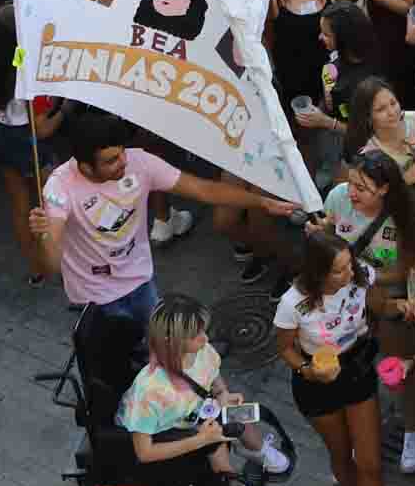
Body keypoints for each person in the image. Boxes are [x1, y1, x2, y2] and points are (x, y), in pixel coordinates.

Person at [27, 110, 300, 330]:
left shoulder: (140, 162)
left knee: (159, 353)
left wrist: (261, 202)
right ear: (85, 167)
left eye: (122, 152)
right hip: (95, 299)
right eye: (111, 160)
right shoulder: (59, 187)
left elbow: (204, 190)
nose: (123, 162)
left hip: (141, 282)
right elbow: (50, 265)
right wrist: (44, 237)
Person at [273, 230, 406, 486]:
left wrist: (401, 307)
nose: (349, 273)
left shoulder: (359, 275)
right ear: (317, 272)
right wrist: (308, 370)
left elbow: (379, 301)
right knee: (341, 454)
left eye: (349, 265)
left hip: (357, 369)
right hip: (317, 383)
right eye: (339, 270)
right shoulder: (293, 303)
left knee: (370, 462)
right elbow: (285, 348)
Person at [116, 296, 290, 486]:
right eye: (196, 335)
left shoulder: (201, 349)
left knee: (239, 413)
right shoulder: (150, 390)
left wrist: (223, 394)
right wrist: (201, 440)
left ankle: (255, 450)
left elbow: (213, 375)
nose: (205, 338)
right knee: (214, 445)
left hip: (194, 412)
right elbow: (145, 452)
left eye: (203, 330)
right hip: (165, 431)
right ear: (172, 341)